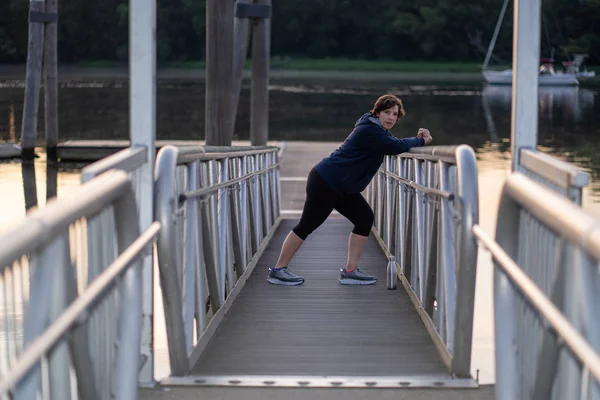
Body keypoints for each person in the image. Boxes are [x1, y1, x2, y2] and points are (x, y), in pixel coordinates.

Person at [267, 94, 433, 286]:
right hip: (326, 181)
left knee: (364, 219)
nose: (391, 117)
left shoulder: (377, 129)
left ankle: (350, 271)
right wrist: (421, 141)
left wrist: (414, 140)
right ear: (377, 112)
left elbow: (391, 143)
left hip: (342, 186)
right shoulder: (369, 130)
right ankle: (278, 270)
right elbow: (394, 146)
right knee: (307, 225)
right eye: (387, 112)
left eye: (395, 114)